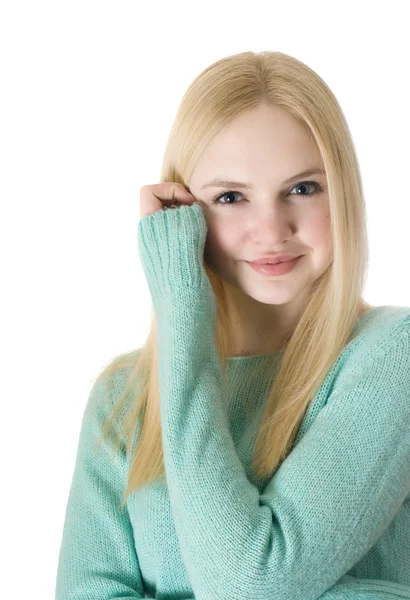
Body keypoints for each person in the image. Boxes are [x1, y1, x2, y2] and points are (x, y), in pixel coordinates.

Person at [55, 50, 410, 600]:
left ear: (343, 191)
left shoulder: (393, 355)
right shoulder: (125, 400)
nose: (271, 230)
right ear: (184, 215)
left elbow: (251, 582)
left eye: (302, 188)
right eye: (230, 197)